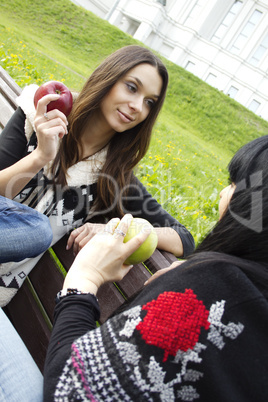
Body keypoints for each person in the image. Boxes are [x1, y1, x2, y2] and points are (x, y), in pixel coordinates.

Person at [43, 135, 268, 401]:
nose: (222, 193)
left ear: (256, 205)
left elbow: (68, 389)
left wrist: (84, 277)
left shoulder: (216, 289)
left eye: (233, 185)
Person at [0, 45, 195, 306]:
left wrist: (114, 228)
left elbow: (184, 238)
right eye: (132, 87)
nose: (137, 106)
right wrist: (41, 156)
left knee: (39, 231)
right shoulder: (41, 115)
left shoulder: (114, 177)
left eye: (149, 102)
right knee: (38, 230)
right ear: (109, 78)